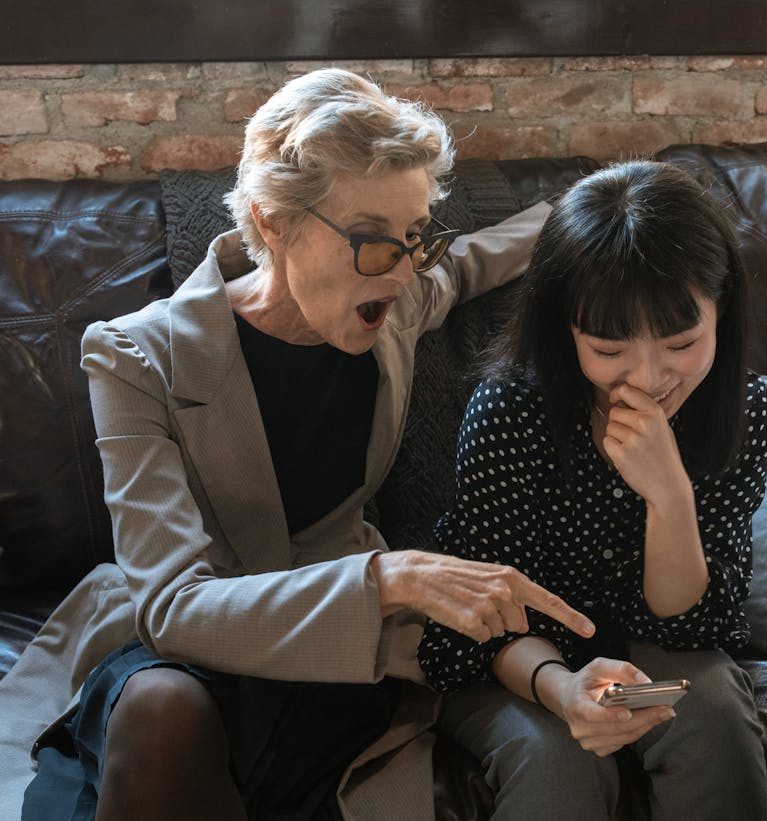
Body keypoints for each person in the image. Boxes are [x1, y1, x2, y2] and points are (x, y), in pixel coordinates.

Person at [9, 68, 594, 821]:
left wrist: (605, 201)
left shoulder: (399, 295)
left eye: (415, 236)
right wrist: (390, 577)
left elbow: (476, 258)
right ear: (273, 220)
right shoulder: (133, 358)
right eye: (374, 242)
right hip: (192, 648)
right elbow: (174, 606)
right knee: (162, 711)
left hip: (333, 649)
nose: (407, 265)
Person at [416, 160, 767, 820]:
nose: (648, 377)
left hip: (653, 641)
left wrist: (669, 496)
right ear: (566, 330)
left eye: (682, 342)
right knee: (559, 762)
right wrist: (563, 688)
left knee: (716, 713)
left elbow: (696, 625)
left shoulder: (742, 410)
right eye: (609, 349)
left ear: (720, 313)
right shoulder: (509, 410)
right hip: (518, 659)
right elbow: (485, 618)